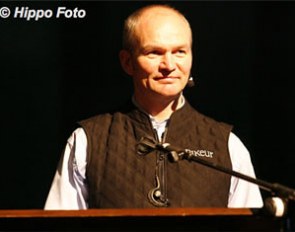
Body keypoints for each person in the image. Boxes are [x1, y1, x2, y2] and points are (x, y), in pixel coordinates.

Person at [44, 4, 264, 209]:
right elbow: (59, 225)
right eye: (154, 53)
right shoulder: (86, 141)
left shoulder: (228, 145)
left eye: (179, 51)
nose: (169, 65)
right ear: (127, 62)